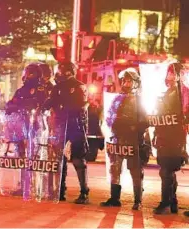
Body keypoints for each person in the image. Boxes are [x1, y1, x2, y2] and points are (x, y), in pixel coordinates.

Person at [100, 68, 149, 210]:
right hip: (117, 139)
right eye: (125, 80)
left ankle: (137, 201)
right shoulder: (117, 98)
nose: (126, 83)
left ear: (135, 83)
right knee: (115, 169)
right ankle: (114, 198)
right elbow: (109, 116)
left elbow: (145, 121)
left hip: (133, 140)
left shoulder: (139, 100)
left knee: (135, 171)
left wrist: (134, 128)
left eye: (129, 80)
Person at [44, 62, 90, 203]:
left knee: (77, 159)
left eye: (61, 71)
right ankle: (59, 191)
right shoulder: (57, 87)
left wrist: (62, 105)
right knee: (59, 158)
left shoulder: (78, 86)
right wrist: (42, 106)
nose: (58, 74)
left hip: (75, 126)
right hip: (59, 125)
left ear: (69, 72)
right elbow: (50, 102)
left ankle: (84, 192)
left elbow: (80, 105)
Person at [5, 63, 49, 195]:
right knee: (21, 156)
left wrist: (22, 106)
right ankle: (24, 184)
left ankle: (33, 185)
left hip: (34, 128)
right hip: (20, 127)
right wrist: (10, 107)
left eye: (28, 73)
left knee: (33, 157)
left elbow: (42, 106)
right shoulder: (21, 90)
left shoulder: (41, 90)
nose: (25, 76)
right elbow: (12, 103)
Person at [152, 63, 189, 214]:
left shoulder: (185, 94)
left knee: (167, 170)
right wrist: (155, 132)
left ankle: (166, 202)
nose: (171, 76)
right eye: (169, 73)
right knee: (166, 169)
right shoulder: (165, 93)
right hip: (163, 136)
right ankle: (171, 202)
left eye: (174, 73)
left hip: (176, 136)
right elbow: (159, 116)